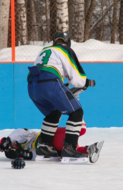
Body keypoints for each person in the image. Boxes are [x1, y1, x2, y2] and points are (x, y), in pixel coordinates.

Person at [27, 31, 96, 163]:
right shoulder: (65, 50)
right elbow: (77, 78)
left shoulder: (45, 49)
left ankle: (44, 147)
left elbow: (48, 70)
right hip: (49, 83)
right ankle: (69, 149)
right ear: (68, 43)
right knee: (76, 112)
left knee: (53, 112)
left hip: (32, 85)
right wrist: (85, 82)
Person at [0, 124, 104, 168]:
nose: (14, 144)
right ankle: (89, 150)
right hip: (55, 149)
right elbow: (38, 156)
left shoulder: (23, 135)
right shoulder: (23, 152)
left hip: (50, 137)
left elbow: (21, 133)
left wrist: (3, 142)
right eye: (13, 146)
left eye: (12, 143)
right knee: (71, 149)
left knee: (81, 129)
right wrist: (21, 154)